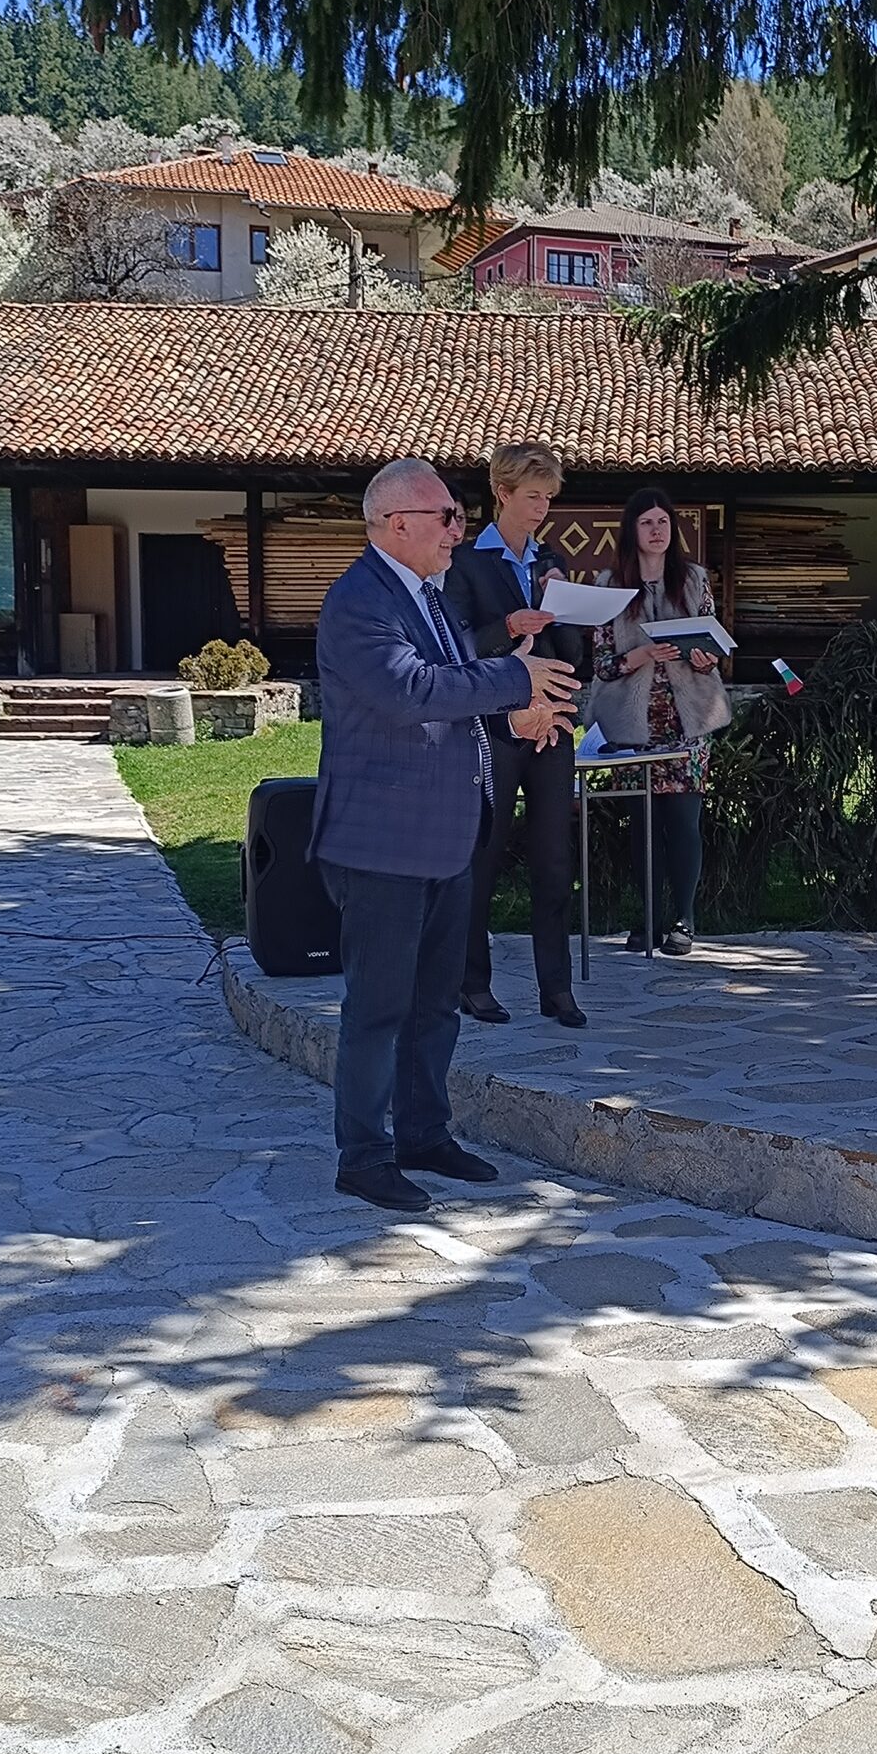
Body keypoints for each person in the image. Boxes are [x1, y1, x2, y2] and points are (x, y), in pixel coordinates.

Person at [309, 458, 577, 1210]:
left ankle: (424, 1134)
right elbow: (409, 691)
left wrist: (517, 719)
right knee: (378, 1008)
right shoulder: (359, 600)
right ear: (398, 524)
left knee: (435, 1005)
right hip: (381, 842)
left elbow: (458, 700)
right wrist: (517, 681)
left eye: (458, 517)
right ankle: (364, 1156)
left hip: (447, 834)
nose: (459, 530)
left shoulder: (428, 595)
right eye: (447, 517)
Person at [444, 442, 589, 1029]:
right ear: (502, 493)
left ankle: (557, 990)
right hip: (495, 728)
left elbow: (573, 653)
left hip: (552, 725)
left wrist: (565, 606)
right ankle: (472, 982)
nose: (542, 508)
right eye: (533, 496)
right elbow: (458, 646)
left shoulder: (550, 560)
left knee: (555, 860)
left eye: (549, 498)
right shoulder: (466, 562)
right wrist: (508, 624)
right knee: (484, 853)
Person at [585, 488, 730, 955]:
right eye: (646, 522)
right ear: (632, 530)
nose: (656, 530)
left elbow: (712, 646)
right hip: (634, 724)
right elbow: (602, 664)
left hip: (688, 723)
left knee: (684, 822)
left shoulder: (693, 579)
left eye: (663, 522)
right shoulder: (609, 585)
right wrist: (641, 655)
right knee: (642, 826)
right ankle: (647, 918)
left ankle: (684, 920)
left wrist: (705, 658)